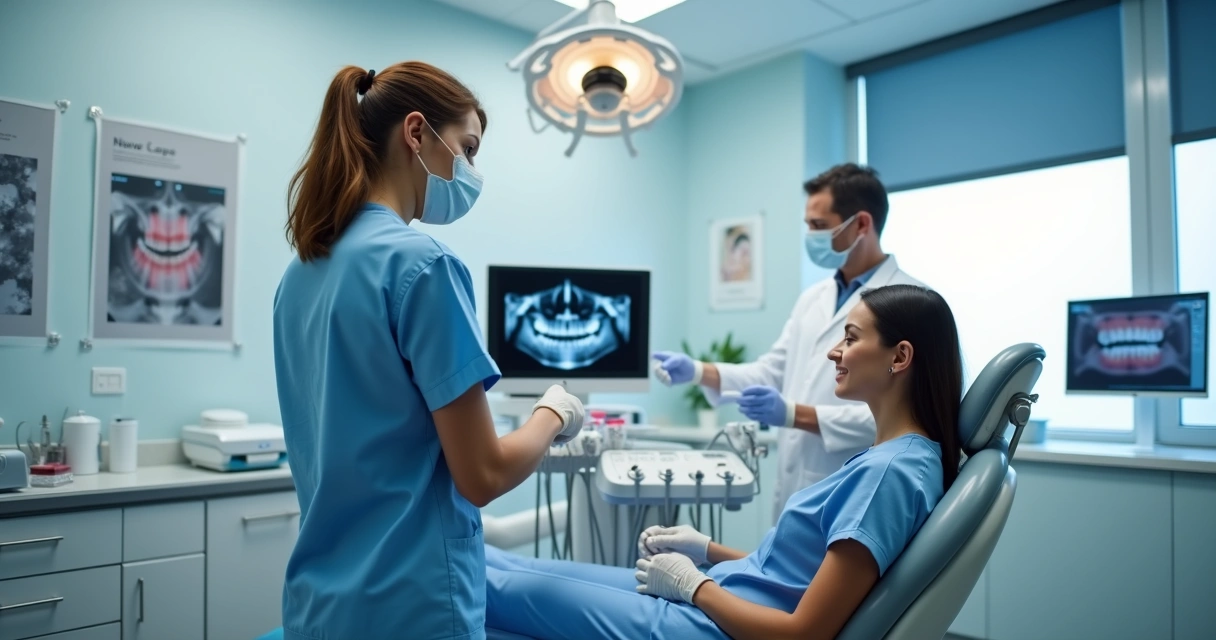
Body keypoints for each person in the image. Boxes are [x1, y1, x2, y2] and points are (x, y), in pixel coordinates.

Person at [272, 62, 585, 640]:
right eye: (467, 150)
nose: (470, 172)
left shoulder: (301, 273)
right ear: (416, 133)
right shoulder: (423, 266)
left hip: (318, 610)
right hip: (412, 608)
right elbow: (483, 474)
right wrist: (554, 413)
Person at [484, 284, 964, 640]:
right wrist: (707, 550)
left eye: (852, 338)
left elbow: (805, 634)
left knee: (499, 590)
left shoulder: (889, 474)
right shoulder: (901, 461)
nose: (834, 352)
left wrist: (694, 589)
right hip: (721, 601)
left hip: (711, 623)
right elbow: (794, 578)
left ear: (899, 357)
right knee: (505, 567)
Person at [653, 163, 925, 522]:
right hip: (796, 482)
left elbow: (909, 415)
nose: (810, 235)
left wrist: (796, 415)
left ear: (861, 224)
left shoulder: (913, 302)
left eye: (819, 226)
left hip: (855, 485)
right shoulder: (813, 298)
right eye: (807, 225)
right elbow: (771, 372)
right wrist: (697, 371)